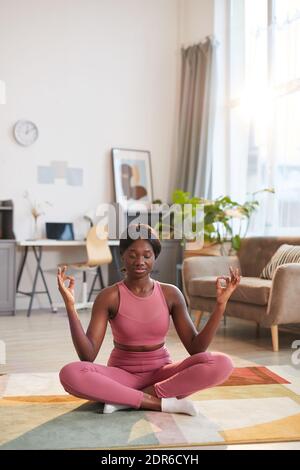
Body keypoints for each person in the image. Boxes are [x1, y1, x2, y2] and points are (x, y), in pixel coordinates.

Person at [58, 224, 240, 416]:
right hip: (122, 375)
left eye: (147, 255)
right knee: (70, 373)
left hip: (163, 375)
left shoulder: (171, 294)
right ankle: (158, 403)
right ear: (122, 255)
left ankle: (125, 399)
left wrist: (220, 305)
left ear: (155, 257)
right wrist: (70, 306)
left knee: (222, 363)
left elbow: (196, 349)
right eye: (132, 254)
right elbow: (88, 355)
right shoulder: (109, 296)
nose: (140, 261)